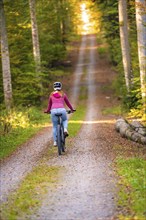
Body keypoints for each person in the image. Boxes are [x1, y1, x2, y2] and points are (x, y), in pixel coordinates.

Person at [44, 82, 75, 146]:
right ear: (60, 87)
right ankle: (65, 129)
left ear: (54, 87)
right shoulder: (63, 94)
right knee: (65, 120)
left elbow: (49, 104)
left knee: (55, 126)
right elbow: (68, 103)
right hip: (62, 110)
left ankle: (55, 141)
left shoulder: (51, 94)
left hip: (53, 111)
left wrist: (47, 111)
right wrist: (72, 109)